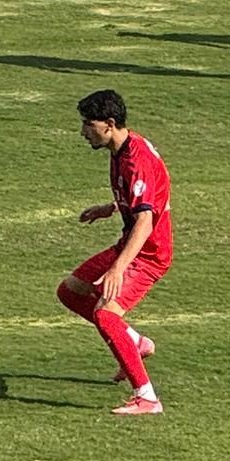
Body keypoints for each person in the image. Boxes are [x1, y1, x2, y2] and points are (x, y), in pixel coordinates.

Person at [55, 89, 172, 416]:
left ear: (109, 124)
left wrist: (119, 268)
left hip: (148, 255)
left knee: (106, 315)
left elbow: (146, 222)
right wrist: (111, 207)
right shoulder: (124, 147)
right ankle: (135, 342)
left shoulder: (136, 160)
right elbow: (147, 197)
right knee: (70, 291)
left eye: (87, 124)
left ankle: (147, 397)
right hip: (129, 246)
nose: (83, 132)